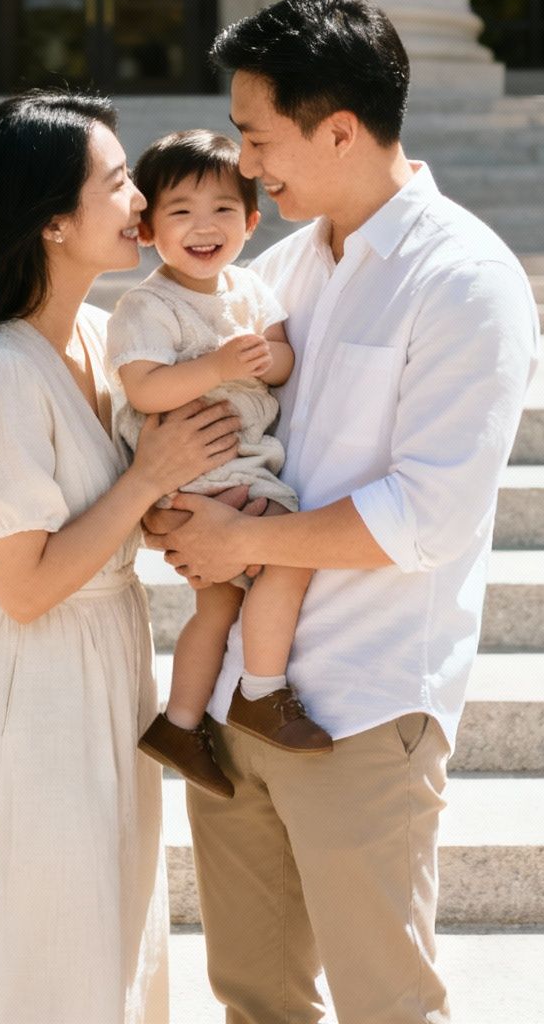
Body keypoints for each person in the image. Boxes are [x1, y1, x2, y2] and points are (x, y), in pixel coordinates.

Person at [146, 0, 542, 1023]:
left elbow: (427, 513)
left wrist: (241, 536)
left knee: (385, 1005)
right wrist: (172, 509)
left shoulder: (463, 281)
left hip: (362, 705)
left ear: (338, 130)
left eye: (255, 137)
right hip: (237, 699)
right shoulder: (273, 271)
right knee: (254, 1000)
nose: (241, 168)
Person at [0, 90, 244, 1024]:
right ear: (53, 220)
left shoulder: (102, 338)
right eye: (120, 180)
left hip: (110, 657)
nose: (145, 199)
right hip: (38, 683)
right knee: (42, 928)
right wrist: (148, 480)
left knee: (108, 920)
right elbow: (23, 588)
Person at [110, 129, 332, 804]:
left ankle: (179, 724)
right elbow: (145, 387)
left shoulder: (250, 289)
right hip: (199, 471)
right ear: (147, 227)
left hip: (236, 466)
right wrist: (217, 367)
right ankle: (261, 692)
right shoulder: (148, 305)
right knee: (289, 556)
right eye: (180, 212)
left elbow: (281, 357)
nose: (203, 228)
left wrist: (273, 360)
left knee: (218, 604)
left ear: (252, 221)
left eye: (223, 211)